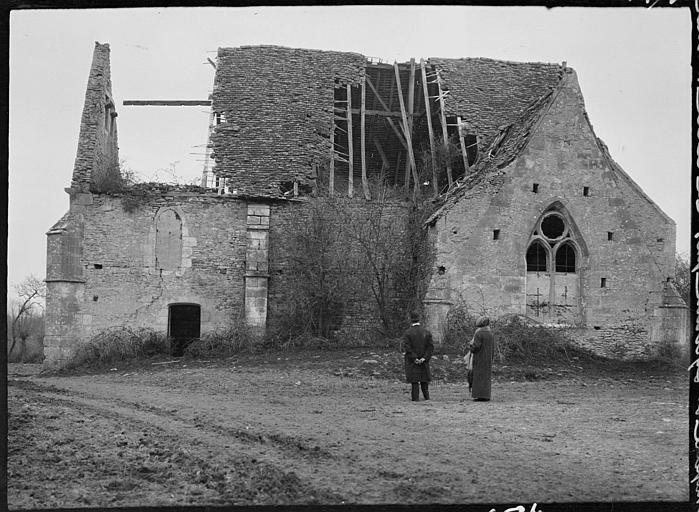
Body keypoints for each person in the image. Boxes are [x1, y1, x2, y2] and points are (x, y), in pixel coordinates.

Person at [402, 311, 434, 402]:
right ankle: (427, 397)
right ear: (419, 319)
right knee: (424, 380)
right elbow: (430, 347)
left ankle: (415, 398)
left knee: (414, 381)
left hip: (412, 361)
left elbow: (407, 348)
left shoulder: (407, 333)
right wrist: (424, 358)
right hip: (424, 360)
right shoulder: (426, 332)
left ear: (410, 319)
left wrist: (414, 358)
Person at [467, 316, 495, 401]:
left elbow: (476, 347)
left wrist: (471, 347)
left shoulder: (479, 333)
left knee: (478, 377)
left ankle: (480, 396)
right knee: (486, 378)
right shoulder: (490, 333)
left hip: (479, 358)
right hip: (488, 359)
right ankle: (486, 396)